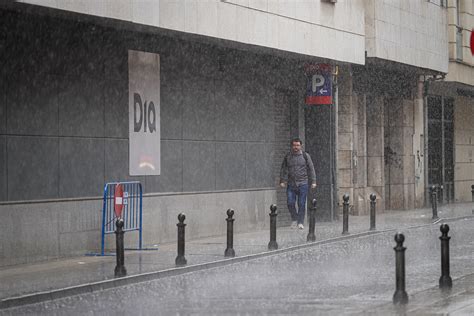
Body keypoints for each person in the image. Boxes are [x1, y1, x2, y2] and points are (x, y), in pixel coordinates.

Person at [279, 138, 317, 229]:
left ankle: (300, 222)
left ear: (301, 146)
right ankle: (294, 219)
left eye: (297, 145)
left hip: (303, 183)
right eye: (294, 145)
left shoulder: (305, 156)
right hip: (291, 183)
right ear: (292, 146)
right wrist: (282, 180)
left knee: (301, 203)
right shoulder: (288, 156)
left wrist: (314, 181)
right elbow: (283, 169)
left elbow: (311, 168)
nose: (296, 147)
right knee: (290, 202)